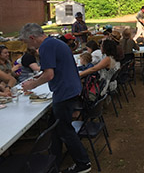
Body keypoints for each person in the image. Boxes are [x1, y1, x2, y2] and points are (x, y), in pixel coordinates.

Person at [20, 23, 91, 172]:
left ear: (32, 38)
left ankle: (83, 163)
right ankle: (55, 159)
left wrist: (32, 85)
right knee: (54, 125)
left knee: (64, 130)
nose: (29, 46)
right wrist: (36, 79)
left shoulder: (46, 47)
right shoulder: (55, 42)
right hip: (70, 88)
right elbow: (51, 70)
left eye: (27, 42)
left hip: (64, 92)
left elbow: (49, 74)